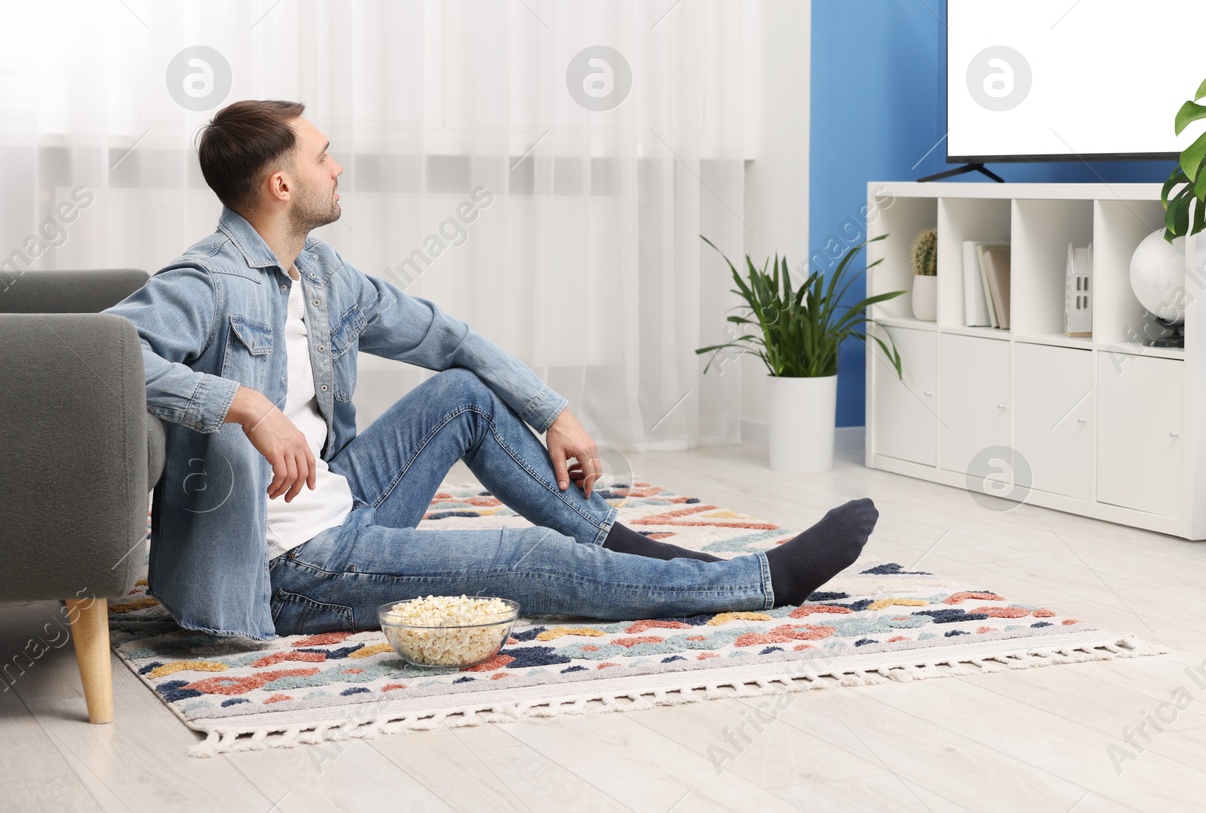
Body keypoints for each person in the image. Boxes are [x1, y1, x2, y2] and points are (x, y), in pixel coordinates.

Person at [106, 100, 877, 639]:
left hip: (348, 502)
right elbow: (102, 354)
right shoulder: (205, 280)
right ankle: (754, 582)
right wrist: (243, 401)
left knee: (464, 395)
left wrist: (553, 411)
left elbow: (448, 337)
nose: (337, 166)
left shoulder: (323, 272)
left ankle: (625, 546)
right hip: (287, 566)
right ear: (280, 185)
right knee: (525, 558)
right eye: (321, 155)